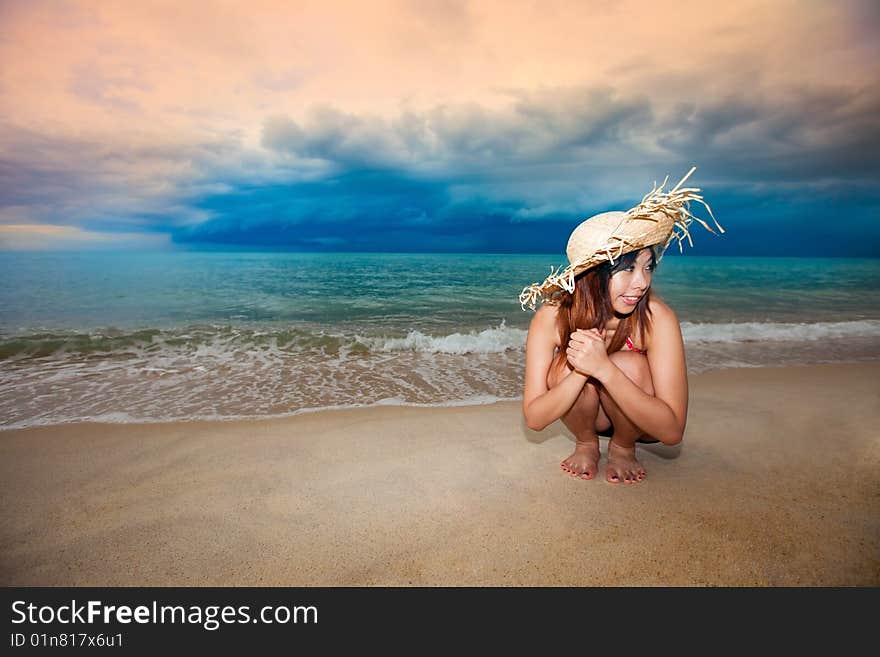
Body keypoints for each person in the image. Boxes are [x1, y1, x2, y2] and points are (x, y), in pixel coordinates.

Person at [519, 167, 722, 484]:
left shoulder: (657, 318)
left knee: (628, 362)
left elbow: (671, 432)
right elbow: (534, 418)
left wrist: (605, 368)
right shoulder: (553, 316)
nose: (641, 283)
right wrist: (583, 369)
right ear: (592, 273)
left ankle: (623, 447)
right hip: (588, 414)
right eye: (628, 269)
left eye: (648, 267)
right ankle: (587, 443)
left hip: (641, 420)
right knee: (565, 366)